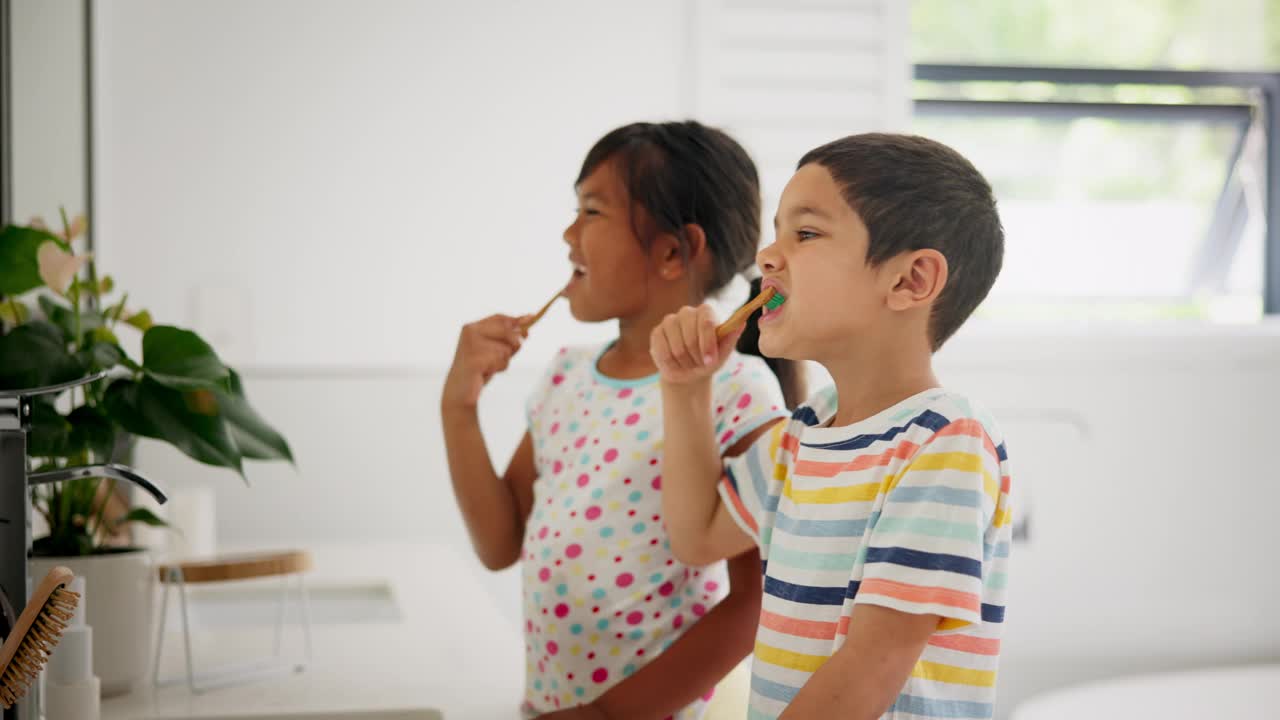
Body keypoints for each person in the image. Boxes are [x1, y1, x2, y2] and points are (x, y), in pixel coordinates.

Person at [442, 121, 805, 718]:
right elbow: (501, 542)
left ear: (671, 252)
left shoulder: (736, 389)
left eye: (591, 211)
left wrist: (607, 715)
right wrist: (458, 407)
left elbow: (754, 604)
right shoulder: (566, 375)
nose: (568, 234)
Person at [651, 133, 1013, 720]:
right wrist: (686, 390)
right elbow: (697, 538)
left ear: (910, 280)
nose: (767, 256)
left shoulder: (946, 441)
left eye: (807, 233)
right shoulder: (804, 432)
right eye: (776, 232)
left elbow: (870, 669)